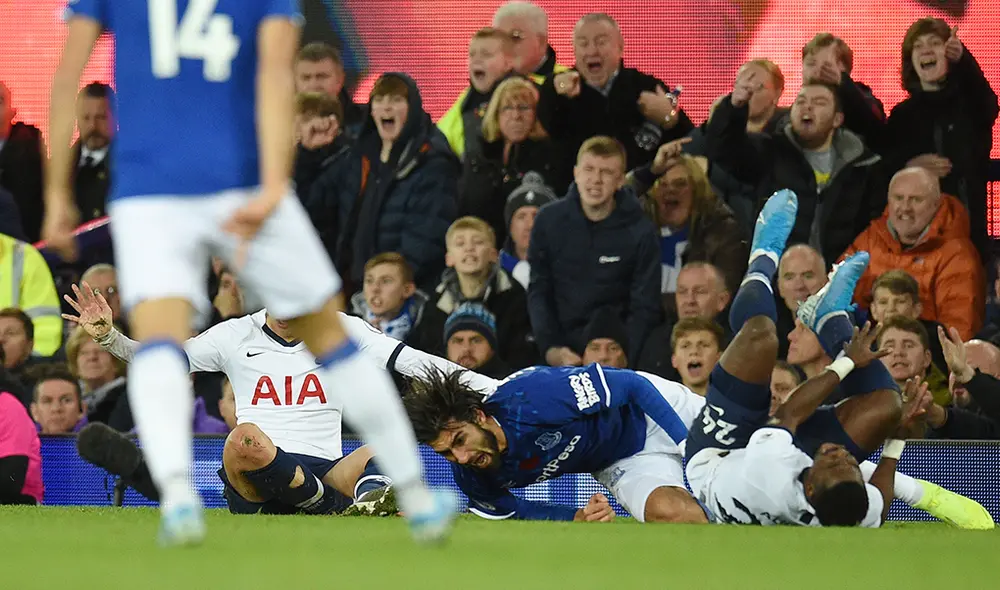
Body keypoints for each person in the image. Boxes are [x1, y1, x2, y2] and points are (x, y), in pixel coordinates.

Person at [46, 0, 454, 546]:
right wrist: (273, 182)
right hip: (239, 176)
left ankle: (177, 498)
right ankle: (417, 495)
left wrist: (55, 192)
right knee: (334, 341)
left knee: (163, 343)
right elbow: (273, 79)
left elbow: (68, 75)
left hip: (152, 188)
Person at [685, 190, 993, 529]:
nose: (839, 452)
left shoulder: (771, 475)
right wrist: (896, 438)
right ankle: (831, 318)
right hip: (781, 451)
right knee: (887, 408)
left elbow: (788, 413)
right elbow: (881, 502)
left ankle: (762, 257)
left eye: (834, 460)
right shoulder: (850, 507)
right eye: (850, 461)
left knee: (762, 337)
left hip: (718, 452)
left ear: (811, 488)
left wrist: (846, 362)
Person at [65, 283, 401, 518]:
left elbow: (399, 361)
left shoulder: (341, 333)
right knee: (244, 438)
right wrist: (110, 337)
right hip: (258, 478)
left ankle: (368, 501)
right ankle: (335, 509)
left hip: (328, 468)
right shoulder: (235, 335)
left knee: (385, 446)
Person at [403, 363, 709, 524]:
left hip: (651, 411)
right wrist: (576, 517)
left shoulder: (533, 397)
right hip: (618, 461)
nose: (461, 456)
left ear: (478, 415)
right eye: (446, 453)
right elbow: (507, 509)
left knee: (749, 443)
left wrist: (688, 445)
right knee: (676, 516)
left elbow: (631, 385)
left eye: (460, 439)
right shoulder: (470, 473)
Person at [884, 19, 999, 260]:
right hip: (915, 244)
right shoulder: (901, 116)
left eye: (934, 43)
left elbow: (988, 103)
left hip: (967, 240)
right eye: (918, 46)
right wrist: (909, 167)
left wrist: (964, 60)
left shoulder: (970, 107)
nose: (926, 50)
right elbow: (882, 165)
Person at [843, 167, 984, 340]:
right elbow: (838, 300)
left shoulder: (957, 254)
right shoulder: (870, 240)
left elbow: (959, 331)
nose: (905, 208)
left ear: (936, 204)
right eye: (898, 198)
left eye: (916, 200)